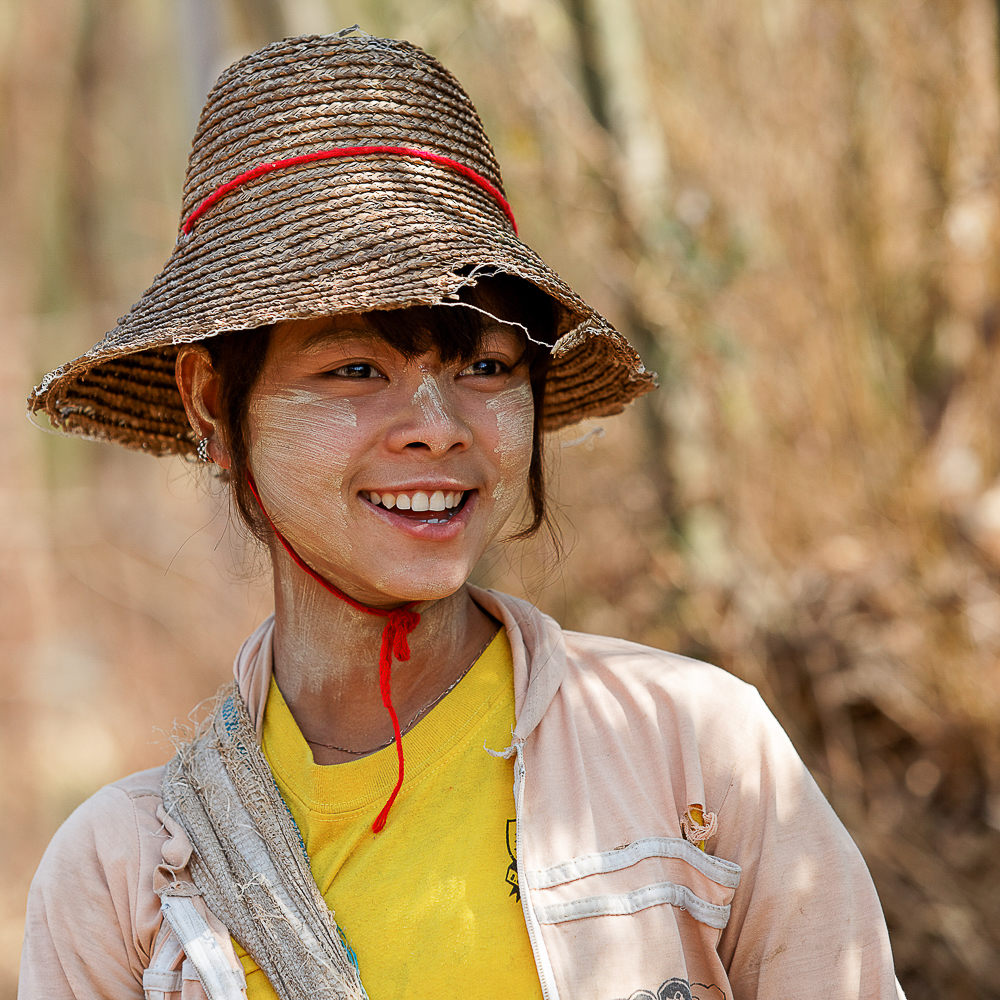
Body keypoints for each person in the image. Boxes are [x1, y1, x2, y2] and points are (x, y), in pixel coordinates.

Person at [20, 29, 905, 1000]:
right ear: (209, 407)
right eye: (355, 368)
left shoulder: (695, 759)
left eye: (484, 365)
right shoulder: (125, 887)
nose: (436, 429)